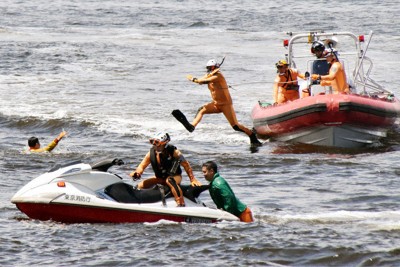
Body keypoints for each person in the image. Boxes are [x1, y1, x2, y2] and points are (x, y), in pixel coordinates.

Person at [172, 59, 261, 147]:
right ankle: (191, 126)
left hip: (226, 104)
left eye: (211, 67)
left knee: (235, 126)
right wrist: (196, 80)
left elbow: (203, 81)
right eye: (208, 68)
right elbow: (201, 80)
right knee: (202, 110)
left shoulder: (218, 76)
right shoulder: (209, 75)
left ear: (215, 67)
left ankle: (251, 135)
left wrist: (192, 78)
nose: (209, 69)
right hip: (216, 104)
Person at [130, 132, 202, 207]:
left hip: (175, 177)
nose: (155, 146)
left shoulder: (174, 152)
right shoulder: (150, 154)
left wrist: (192, 179)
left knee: (170, 180)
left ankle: (180, 203)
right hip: (160, 178)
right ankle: (135, 201)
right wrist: (138, 173)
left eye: (157, 143)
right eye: (153, 143)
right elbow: (142, 166)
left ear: (164, 143)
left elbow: (186, 165)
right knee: (140, 185)